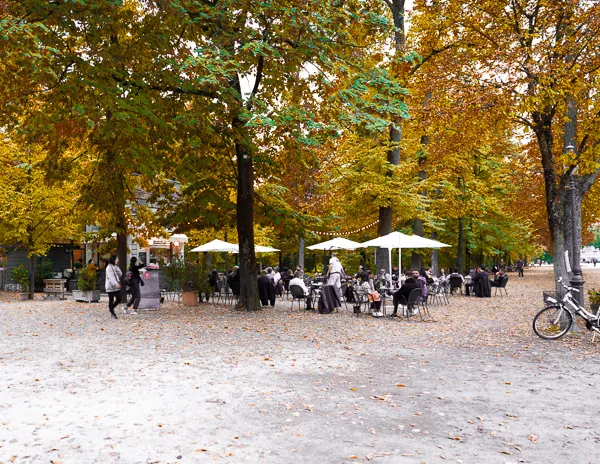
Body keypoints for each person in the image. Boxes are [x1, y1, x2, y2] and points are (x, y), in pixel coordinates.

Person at [105, 255, 122, 319]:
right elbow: (111, 277)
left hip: (116, 286)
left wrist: (117, 269)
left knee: (119, 299)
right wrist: (116, 284)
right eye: (117, 259)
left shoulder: (114, 267)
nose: (118, 260)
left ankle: (111, 308)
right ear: (113, 260)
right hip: (110, 287)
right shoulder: (109, 268)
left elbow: (120, 274)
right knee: (111, 300)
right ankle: (112, 313)